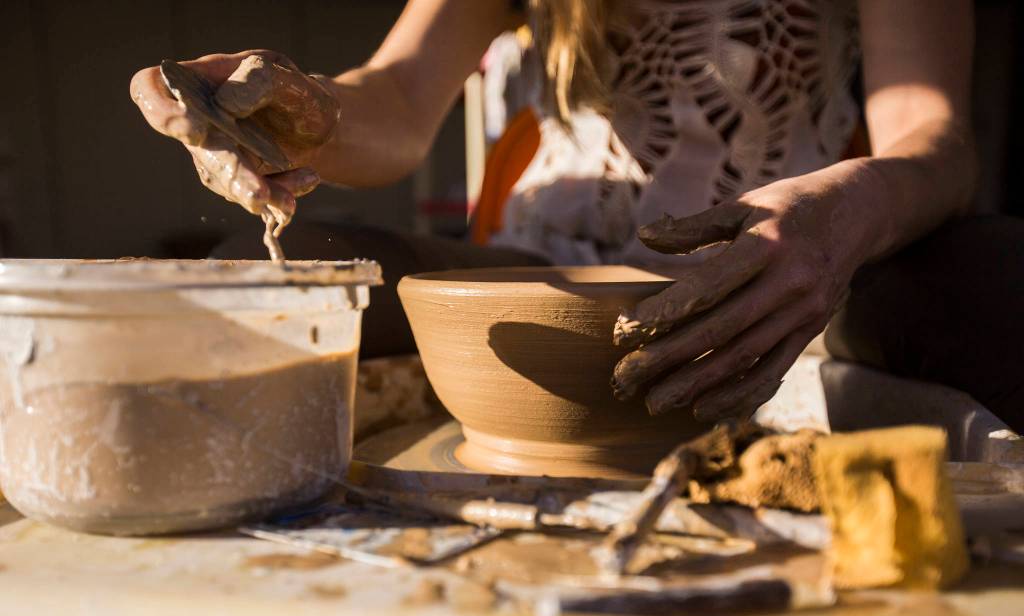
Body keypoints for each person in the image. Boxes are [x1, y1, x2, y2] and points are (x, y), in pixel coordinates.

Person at [130, 0, 1023, 430]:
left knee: (993, 278)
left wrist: (846, 214)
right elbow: (400, 99)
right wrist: (306, 112)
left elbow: (934, 139)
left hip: (787, 267)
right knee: (306, 268)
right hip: (549, 266)